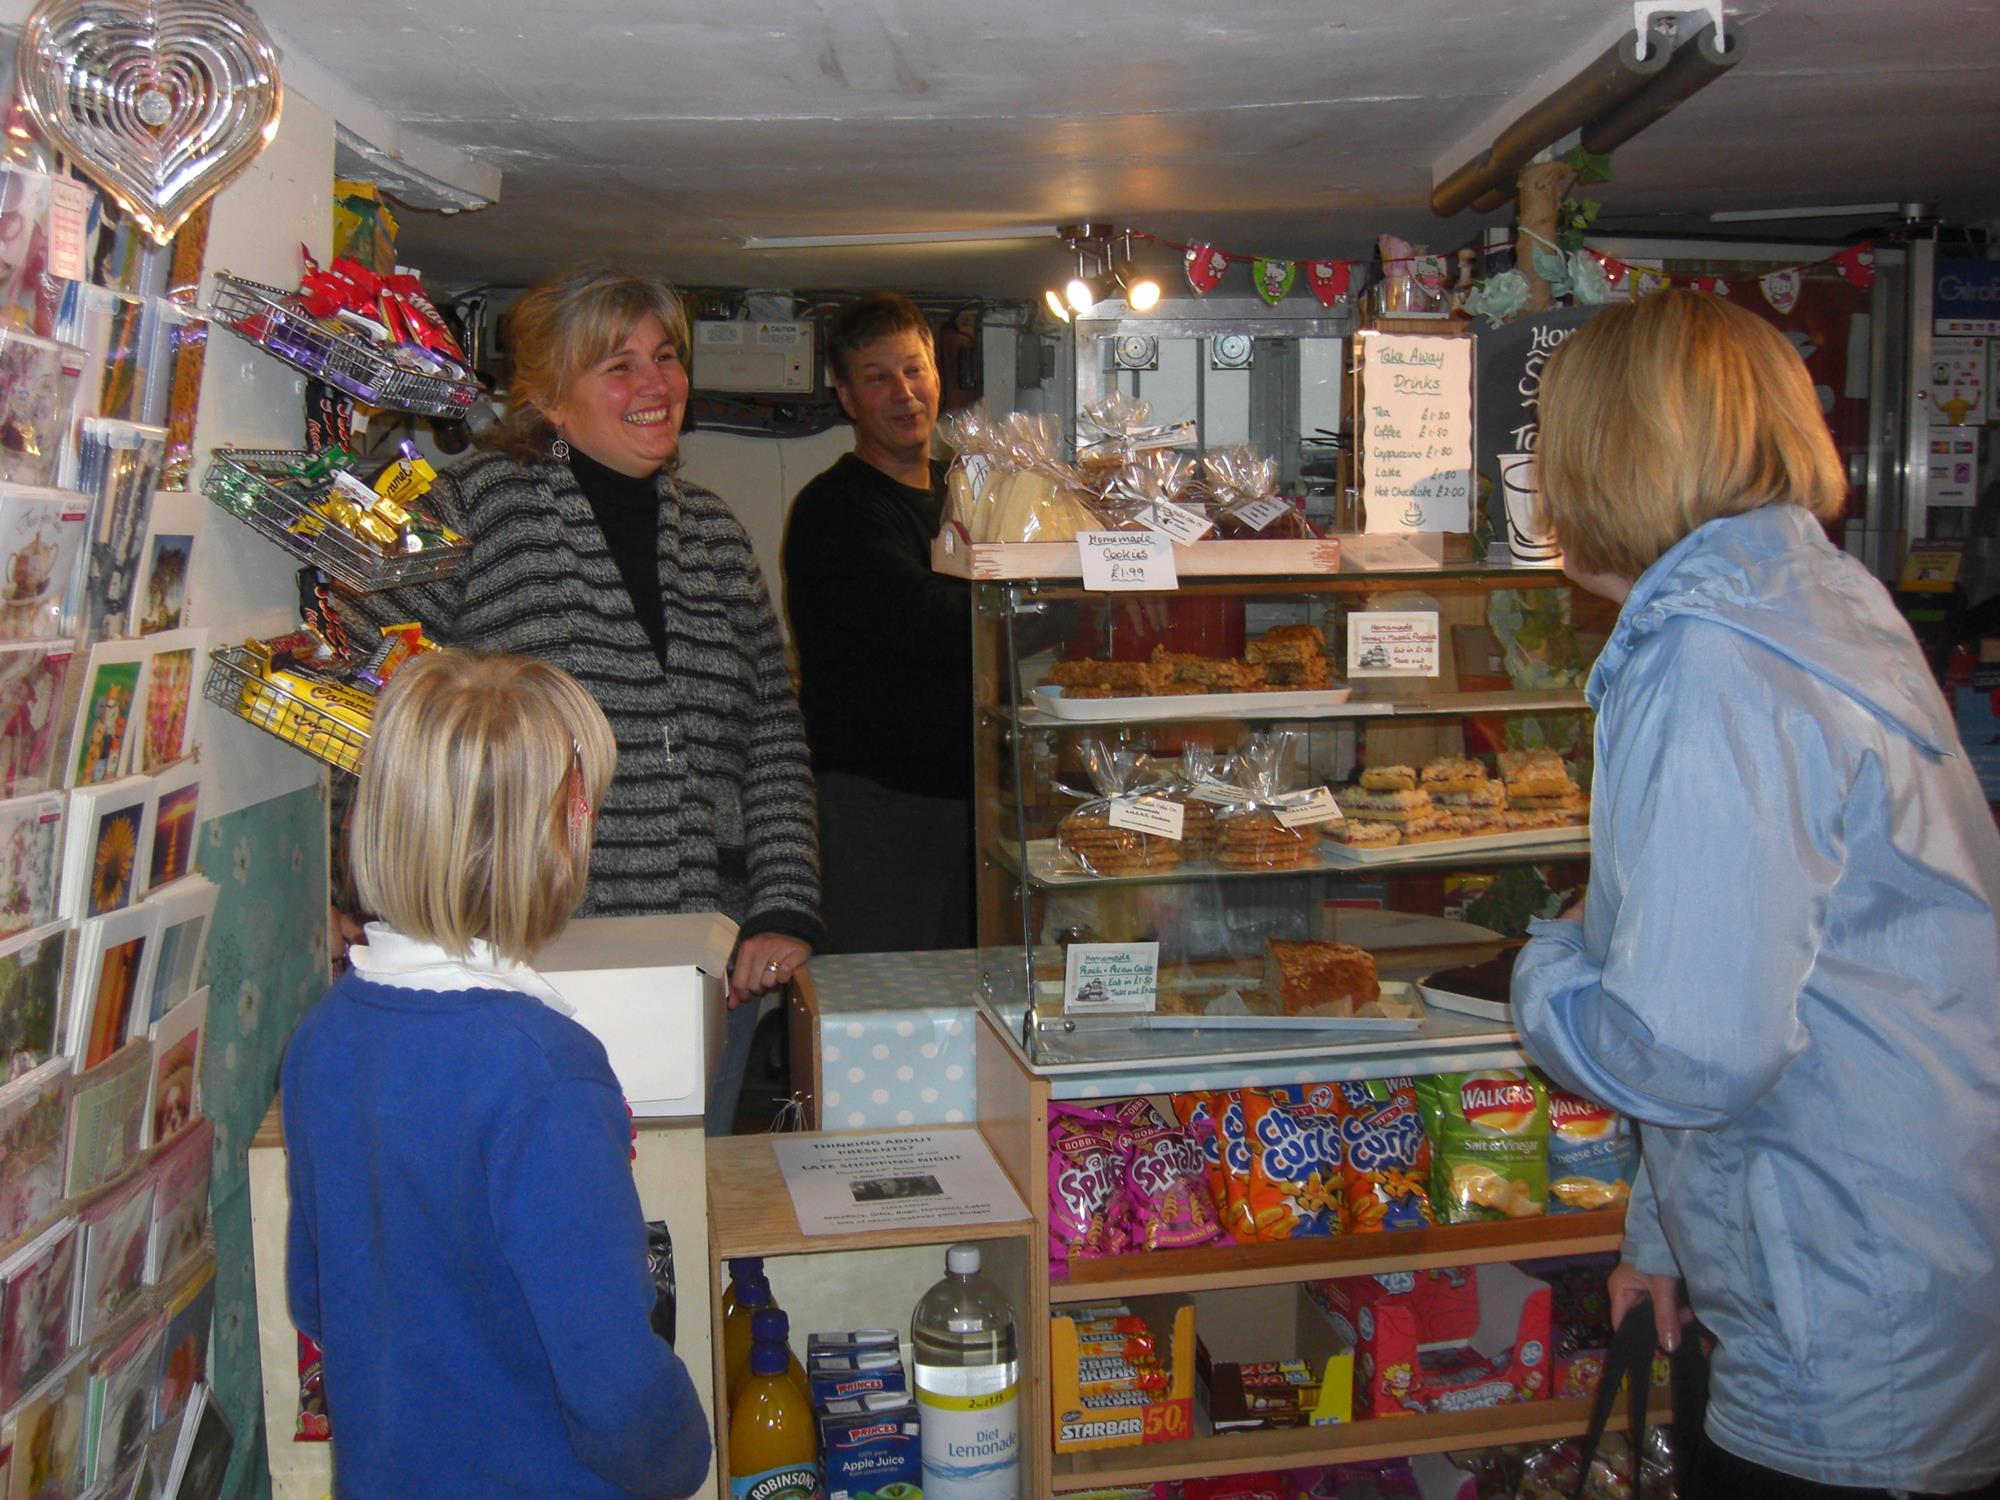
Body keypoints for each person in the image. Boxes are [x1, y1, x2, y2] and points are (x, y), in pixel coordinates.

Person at [1510, 290, 2000, 1497]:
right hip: (1895, 1251)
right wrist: (1659, 1236)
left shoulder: (1714, 662)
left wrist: (1539, 974)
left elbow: (1684, 1045)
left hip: (1848, 1310)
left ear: (1606, 456)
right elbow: (1736, 974)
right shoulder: (1807, 602)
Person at [343, 266, 821, 1134]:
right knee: (551, 1200)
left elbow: (772, 735)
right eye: (618, 366)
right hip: (525, 951)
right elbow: (371, 706)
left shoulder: (714, 535)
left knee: (681, 1206)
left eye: (665, 357)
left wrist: (783, 903)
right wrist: (371, 888)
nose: (657, 386)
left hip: (708, 954)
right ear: (551, 399)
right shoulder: (473, 512)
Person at [282, 650, 711, 1498]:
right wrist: (680, 1461)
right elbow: (612, 1377)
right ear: (564, 827)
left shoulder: (326, 1034)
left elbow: (315, 1295)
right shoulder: (545, 1072)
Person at [782, 293, 974, 952]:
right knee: (882, 1011)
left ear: (937, 375)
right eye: (877, 378)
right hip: (879, 811)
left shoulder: (967, 492)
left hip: (972, 805)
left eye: (914, 370)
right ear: (846, 396)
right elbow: (929, 622)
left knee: (976, 1010)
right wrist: (1036, 594)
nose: (904, 393)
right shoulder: (835, 510)